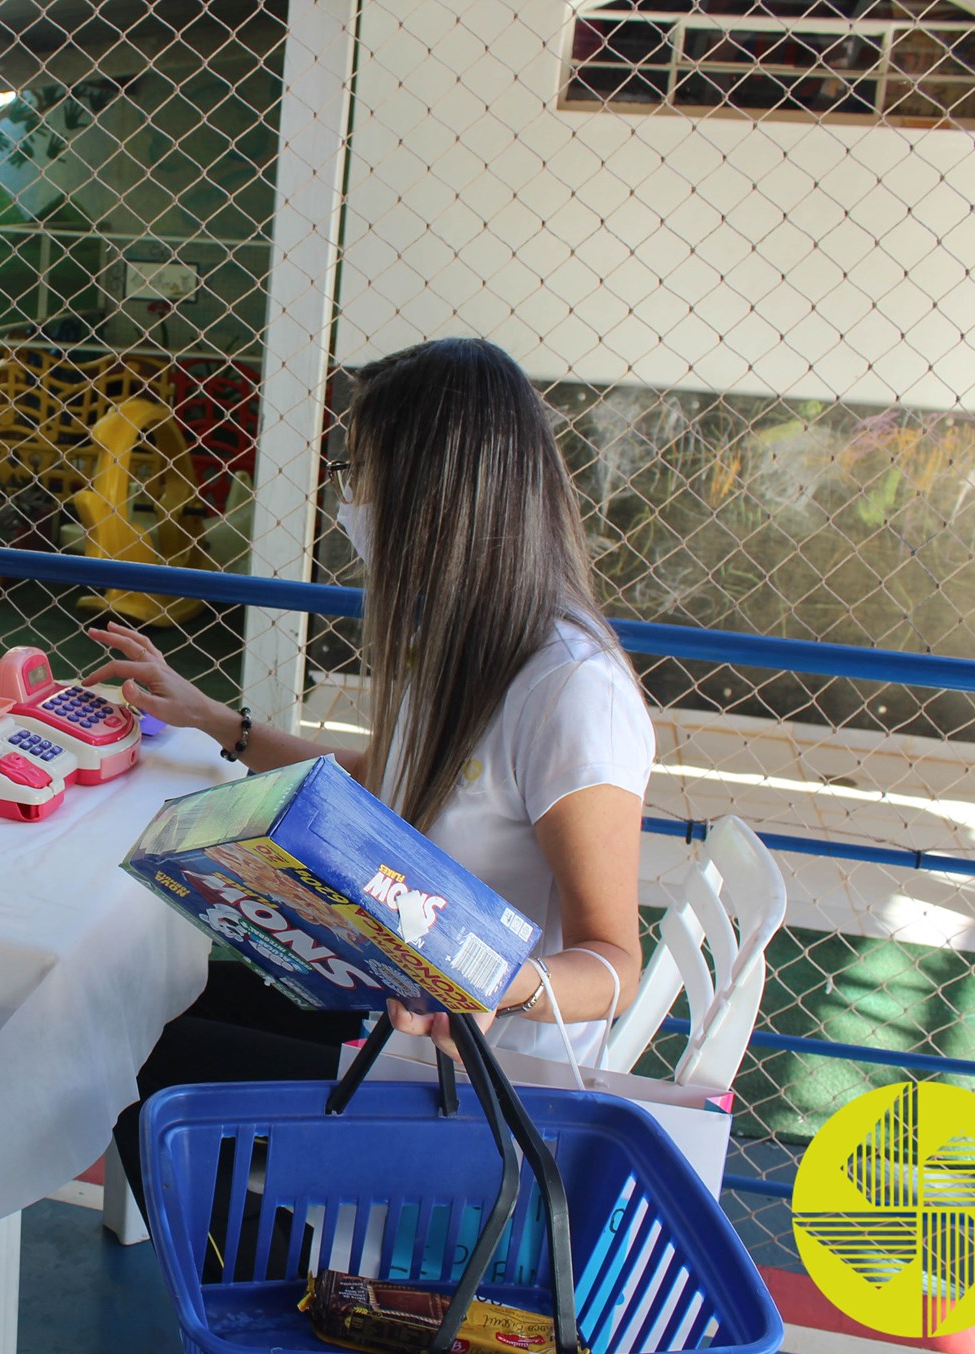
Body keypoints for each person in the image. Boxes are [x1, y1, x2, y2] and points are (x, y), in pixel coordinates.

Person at [90, 337, 655, 1208]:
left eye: (365, 471)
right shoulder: (467, 638)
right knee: (151, 1001)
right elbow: (377, 776)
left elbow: (616, 964)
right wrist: (217, 721)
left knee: (145, 1063)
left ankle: (298, 1295)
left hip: (470, 1080)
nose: (352, 500)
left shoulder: (573, 689)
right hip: (391, 1010)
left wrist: (495, 982)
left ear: (439, 493)